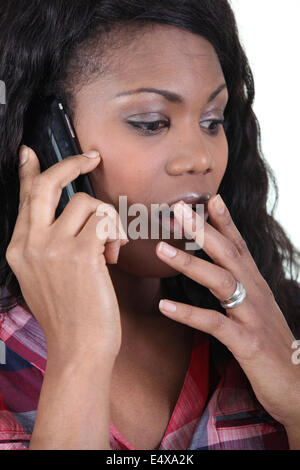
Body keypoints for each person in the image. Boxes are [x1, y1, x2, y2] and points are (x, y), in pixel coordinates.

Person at [0, 0, 300, 451]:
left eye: (212, 121)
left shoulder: (281, 329)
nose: (200, 158)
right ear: (48, 137)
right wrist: (80, 357)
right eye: (151, 122)